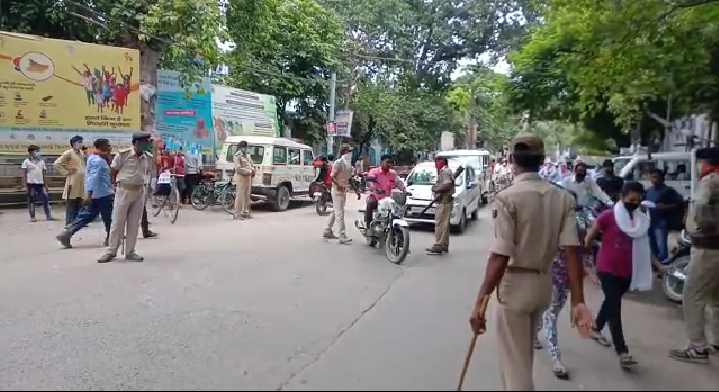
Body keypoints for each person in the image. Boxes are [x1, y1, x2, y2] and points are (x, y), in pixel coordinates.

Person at [468, 133, 592, 391]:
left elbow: (501, 254)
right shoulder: (563, 198)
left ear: (512, 159)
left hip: (514, 287)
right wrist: (578, 301)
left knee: (515, 368)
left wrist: (480, 300)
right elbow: (571, 251)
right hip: (543, 285)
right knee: (523, 356)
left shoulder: (507, 197)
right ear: (542, 160)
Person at [585, 181, 652, 369]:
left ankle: (596, 327)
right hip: (607, 268)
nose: (635, 203)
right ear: (622, 197)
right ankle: (622, 351)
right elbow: (590, 237)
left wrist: (657, 265)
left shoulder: (640, 220)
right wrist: (586, 260)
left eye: (638, 200)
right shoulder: (608, 216)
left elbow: (645, 245)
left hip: (628, 271)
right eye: (631, 199)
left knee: (611, 302)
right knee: (615, 307)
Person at [669, 147, 719, 364]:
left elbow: (700, 205)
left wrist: (705, 224)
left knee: (693, 294)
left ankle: (697, 347)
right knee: (716, 298)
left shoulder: (712, 181)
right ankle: (716, 341)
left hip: (709, 248)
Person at [98, 133, 153, 263]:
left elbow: (148, 172)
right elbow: (113, 171)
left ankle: (130, 252)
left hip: (139, 192)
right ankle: (111, 251)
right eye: (144, 143)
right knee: (117, 222)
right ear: (136, 143)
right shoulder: (124, 154)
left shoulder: (148, 157)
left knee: (134, 223)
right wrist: (115, 186)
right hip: (124, 190)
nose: (147, 145)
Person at [56, 139, 114, 248]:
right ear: (102, 146)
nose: (110, 148)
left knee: (87, 215)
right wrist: (88, 194)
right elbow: (93, 178)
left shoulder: (94, 157)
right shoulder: (99, 160)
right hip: (102, 193)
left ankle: (67, 232)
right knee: (108, 217)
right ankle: (111, 238)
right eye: (108, 145)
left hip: (98, 192)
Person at [533, 248, 572, 379]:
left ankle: (534, 332)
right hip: (549, 279)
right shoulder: (546, 229)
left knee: (547, 313)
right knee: (551, 317)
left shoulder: (573, 230)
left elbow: (579, 255)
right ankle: (556, 359)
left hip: (566, 280)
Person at [645, 169, 683, 263]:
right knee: (652, 244)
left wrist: (665, 206)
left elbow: (679, 203)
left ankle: (663, 262)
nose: (653, 179)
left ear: (662, 179)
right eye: (651, 177)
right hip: (650, 220)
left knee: (661, 244)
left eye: (655, 177)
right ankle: (655, 262)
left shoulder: (668, 191)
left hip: (661, 221)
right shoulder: (649, 190)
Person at [364, 155, 406, 228]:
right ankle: (369, 225)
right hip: (375, 196)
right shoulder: (374, 171)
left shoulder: (393, 173)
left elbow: (398, 183)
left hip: (387, 198)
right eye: (387, 162)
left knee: (396, 209)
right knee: (370, 203)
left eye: (391, 163)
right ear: (381, 162)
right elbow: (370, 180)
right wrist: (373, 187)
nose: (389, 164)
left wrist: (405, 190)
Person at [323, 144, 353, 244]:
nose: (350, 153)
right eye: (349, 151)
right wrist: (338, 185)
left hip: (343, 190)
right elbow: (332, 176)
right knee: (340, 213)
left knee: (336, 211)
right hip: (337, 191)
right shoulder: (339, 162)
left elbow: (350, 178)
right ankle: (342, 235)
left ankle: (327, 230)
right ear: (344, 152)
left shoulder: (348, 164)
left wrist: (356, 190)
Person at [54, 135, 86, 226]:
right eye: (79, 142)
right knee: (71, 202)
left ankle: (77, 221)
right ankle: (69, 222)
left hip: (81, 181)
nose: (81, 144)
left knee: (80, 201)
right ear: (73, 143)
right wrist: (66, 172)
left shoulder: (81, 152)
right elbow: (57, 163)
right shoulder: (69, 153)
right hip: (73, 180)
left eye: (81, 142)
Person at [426, 157, 454, 255]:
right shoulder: (445, 171)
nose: (435, 164)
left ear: (442, 162)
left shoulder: (445, 172)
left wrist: (436, 189)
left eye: (437, 162)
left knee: (440, 224)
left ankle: (438, 245)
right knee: (444, 225)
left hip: (444, 201)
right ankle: (444, 245)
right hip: (445, 201)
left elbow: (447, 184)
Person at [21, 145, 54, 222]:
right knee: (32, 200)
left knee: (46, 198)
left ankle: (48, 215)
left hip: (40, 184)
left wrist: (46, 185)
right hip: (31, 184)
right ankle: (32, 216)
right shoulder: (26, 162)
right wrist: (25, 185)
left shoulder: (42, 161)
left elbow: (43, 174)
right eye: (36, 151)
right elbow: (24, 174)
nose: (38, 153)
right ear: (31, 152)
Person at [233, 140, 255, 220]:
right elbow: (238, 168)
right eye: (243, 147)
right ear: (240, 147)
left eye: (246, 147)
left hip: (248, 178)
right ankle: (237, 214)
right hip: (241, 177)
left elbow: (251, 165)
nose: (245, 149)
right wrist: (247, 171)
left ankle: (245, 212)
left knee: (247, 196)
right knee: (240, 196)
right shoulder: (237, 156)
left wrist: (252, 170)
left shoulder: (248, 156)